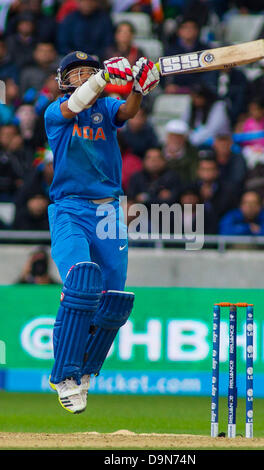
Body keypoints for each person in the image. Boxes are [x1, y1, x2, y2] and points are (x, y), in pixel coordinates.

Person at [44, 50, 160, 413]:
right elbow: (75, 103)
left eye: (87, 72)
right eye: (75, 73)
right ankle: (63, 375)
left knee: (113, 300)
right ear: (64, 81)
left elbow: (126, 111)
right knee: (81, 281)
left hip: (109, 210)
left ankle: (87, 371)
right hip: (69, 208)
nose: (81, 78)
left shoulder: (107, 107)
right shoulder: (54, 112)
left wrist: (139, 89)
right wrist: (102, 77)